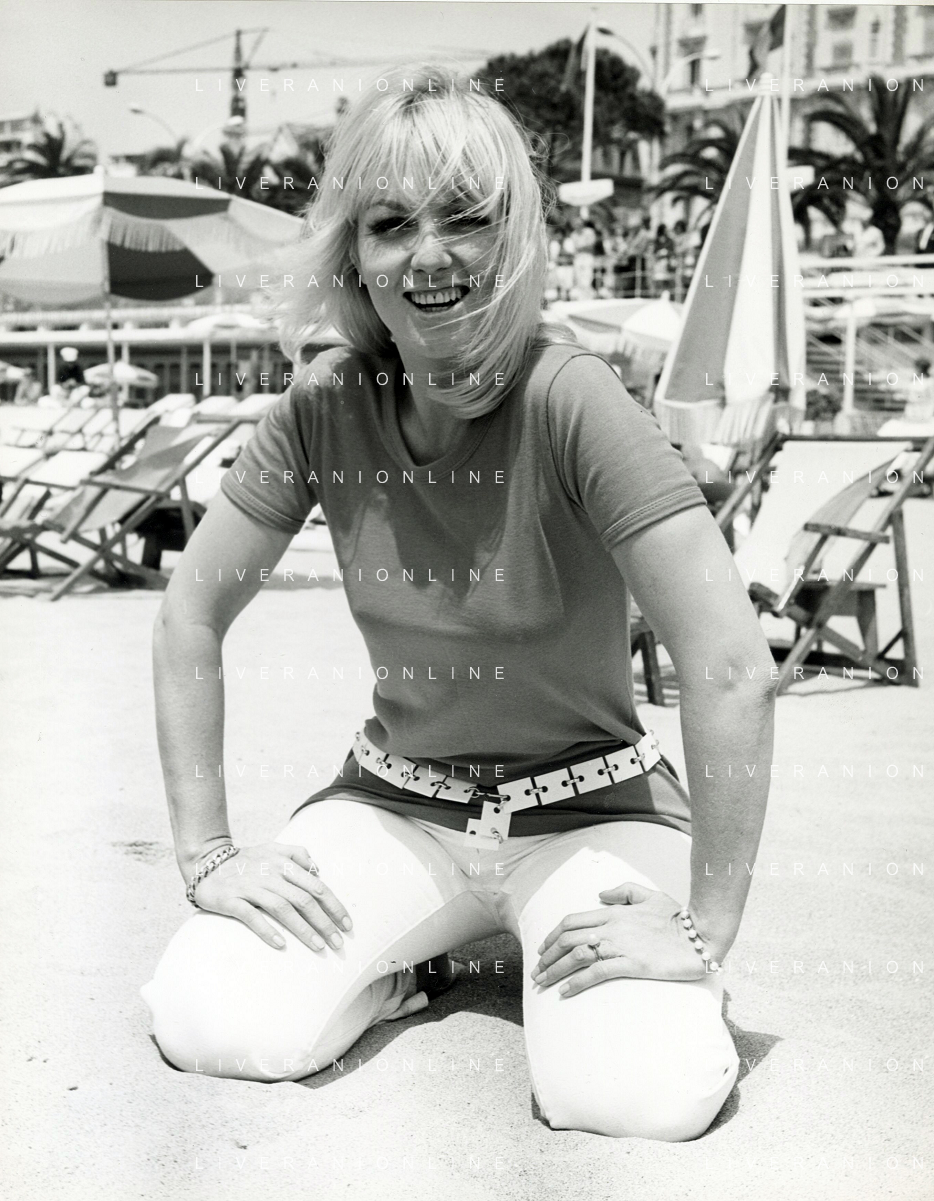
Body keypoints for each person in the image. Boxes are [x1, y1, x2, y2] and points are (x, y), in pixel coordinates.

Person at [142, 64, 776, 1142]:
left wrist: (705, 929)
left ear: (514, 235)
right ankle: (413, 964)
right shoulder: (327, 404)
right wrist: (208, 852)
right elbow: (186, 617)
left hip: (594, 813)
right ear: (355, 255)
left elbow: (730, 665)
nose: (428, 254)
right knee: (211, 1017)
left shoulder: (572, 397)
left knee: (635, 1092)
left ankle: (504, 953)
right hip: (394, 807)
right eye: (390, 224)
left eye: (466, 218)